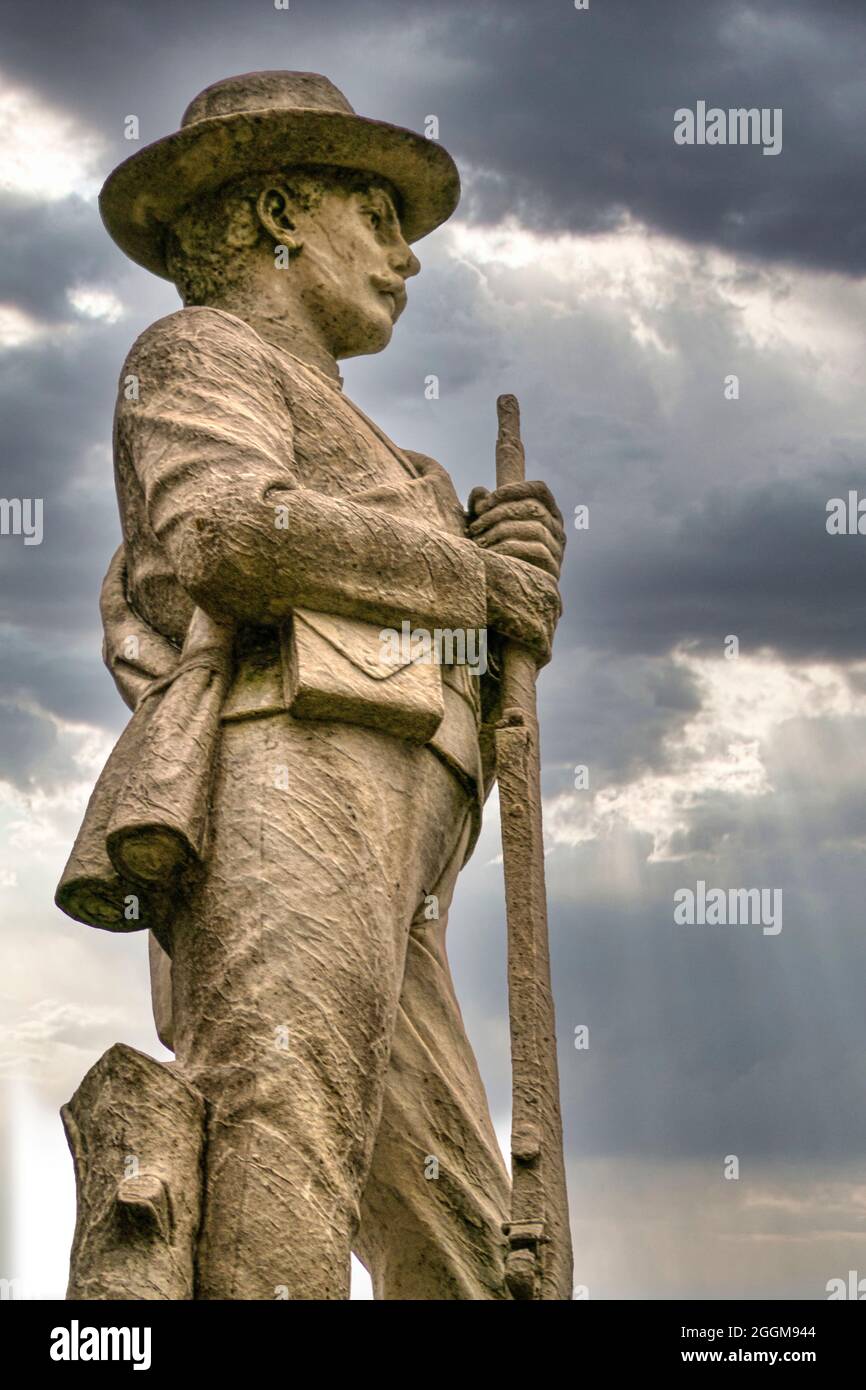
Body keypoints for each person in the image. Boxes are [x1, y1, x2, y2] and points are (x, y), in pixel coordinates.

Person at [59, 70, 565, 1300]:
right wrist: (467, 575)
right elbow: (229, 533)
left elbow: (457, 628)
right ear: (281, 209)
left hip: (407, 842)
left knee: (460, 1223)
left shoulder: (403, 461)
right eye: (376, 216)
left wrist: (514, 587)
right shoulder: (196, 353)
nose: (406, 256)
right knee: (279, 1135)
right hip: (290, 777)